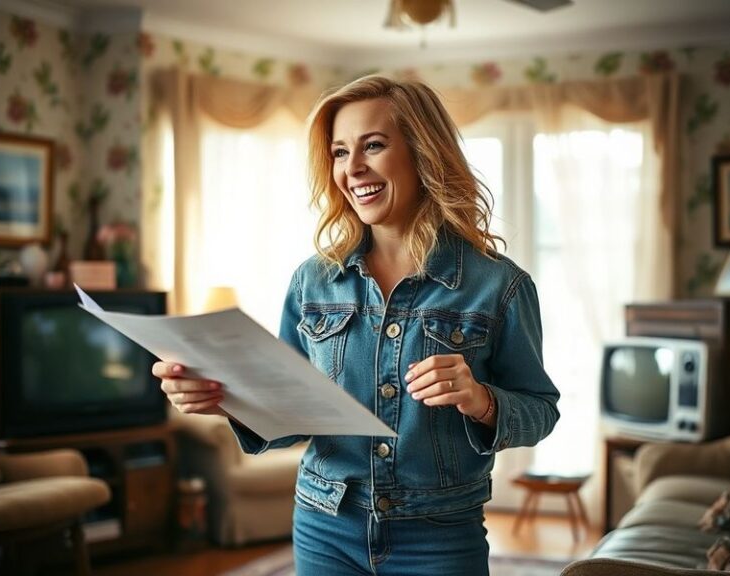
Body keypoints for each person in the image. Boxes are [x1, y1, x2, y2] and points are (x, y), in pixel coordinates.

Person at [153, 76, 560, 575]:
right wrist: (224, 400)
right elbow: (289, 412)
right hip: (326, 527)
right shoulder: (313, 281)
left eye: (373, 145)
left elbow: (541, 410)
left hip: (440, 537)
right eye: (340, 152)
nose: (353, 169)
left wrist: (481, 399)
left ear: (422, 152)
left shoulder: (500, 286)